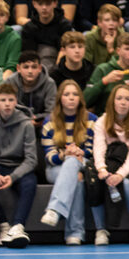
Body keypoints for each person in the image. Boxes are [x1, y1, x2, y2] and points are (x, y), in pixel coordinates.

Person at [38, 79, 102, 244]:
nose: (71, 98)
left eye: (75, 94)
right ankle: (75, 233)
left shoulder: (92, 120)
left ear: (80, 98)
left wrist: (81, 152)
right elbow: (49, 156)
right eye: (67, 94)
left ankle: (55, 209)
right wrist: (64, 155)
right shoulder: (49, 122)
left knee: (74, 163)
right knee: (76, 177)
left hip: (84, 164)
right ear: (60, 98)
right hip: (55, 168)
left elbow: (95, 150)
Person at [92, 82, 129, 243]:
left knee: (127, 183)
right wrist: (101, 169)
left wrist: (120, 175)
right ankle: (101, 231)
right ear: (112, 101)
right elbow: (99, 148)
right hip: (109, 165)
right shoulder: (101, 122)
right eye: (119, 98)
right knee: (94, 182)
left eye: (127, 99)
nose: (123, 102)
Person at [0, 81, 38, 247]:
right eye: (3, 100)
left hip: (19, 166)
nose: (7, 104)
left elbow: (31, 159)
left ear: (16, 102)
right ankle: (3, 225)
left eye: (11, 100)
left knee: (29, 183)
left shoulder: (26, 124)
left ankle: (18, 227)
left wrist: (13, 177)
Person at [85, 30, 129, 111]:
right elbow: (85, 100)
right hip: (105, 116)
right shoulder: (103, 69)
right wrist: (104, 81)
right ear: (118, 51)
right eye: (127, 49)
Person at [20, 0, 72, 67]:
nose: (44, 8)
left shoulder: (64, 25)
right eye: (40, 4)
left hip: (59, 64)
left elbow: (64, 51)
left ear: (55, 4)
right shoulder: (29, 28)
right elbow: (29, 55)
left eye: (48, 4)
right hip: (36, 65)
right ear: (34, 4)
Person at [12, 49, 56, 122]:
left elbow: (51, 111)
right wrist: (25, 121)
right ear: (18, 68)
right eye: (26, 67)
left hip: (41, 123)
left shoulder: (49, 83)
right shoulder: (10, 82)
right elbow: (6, 109)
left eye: (34, 67)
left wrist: (37, 119)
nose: (30, 71)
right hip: (16, 122)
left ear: (40, 68)